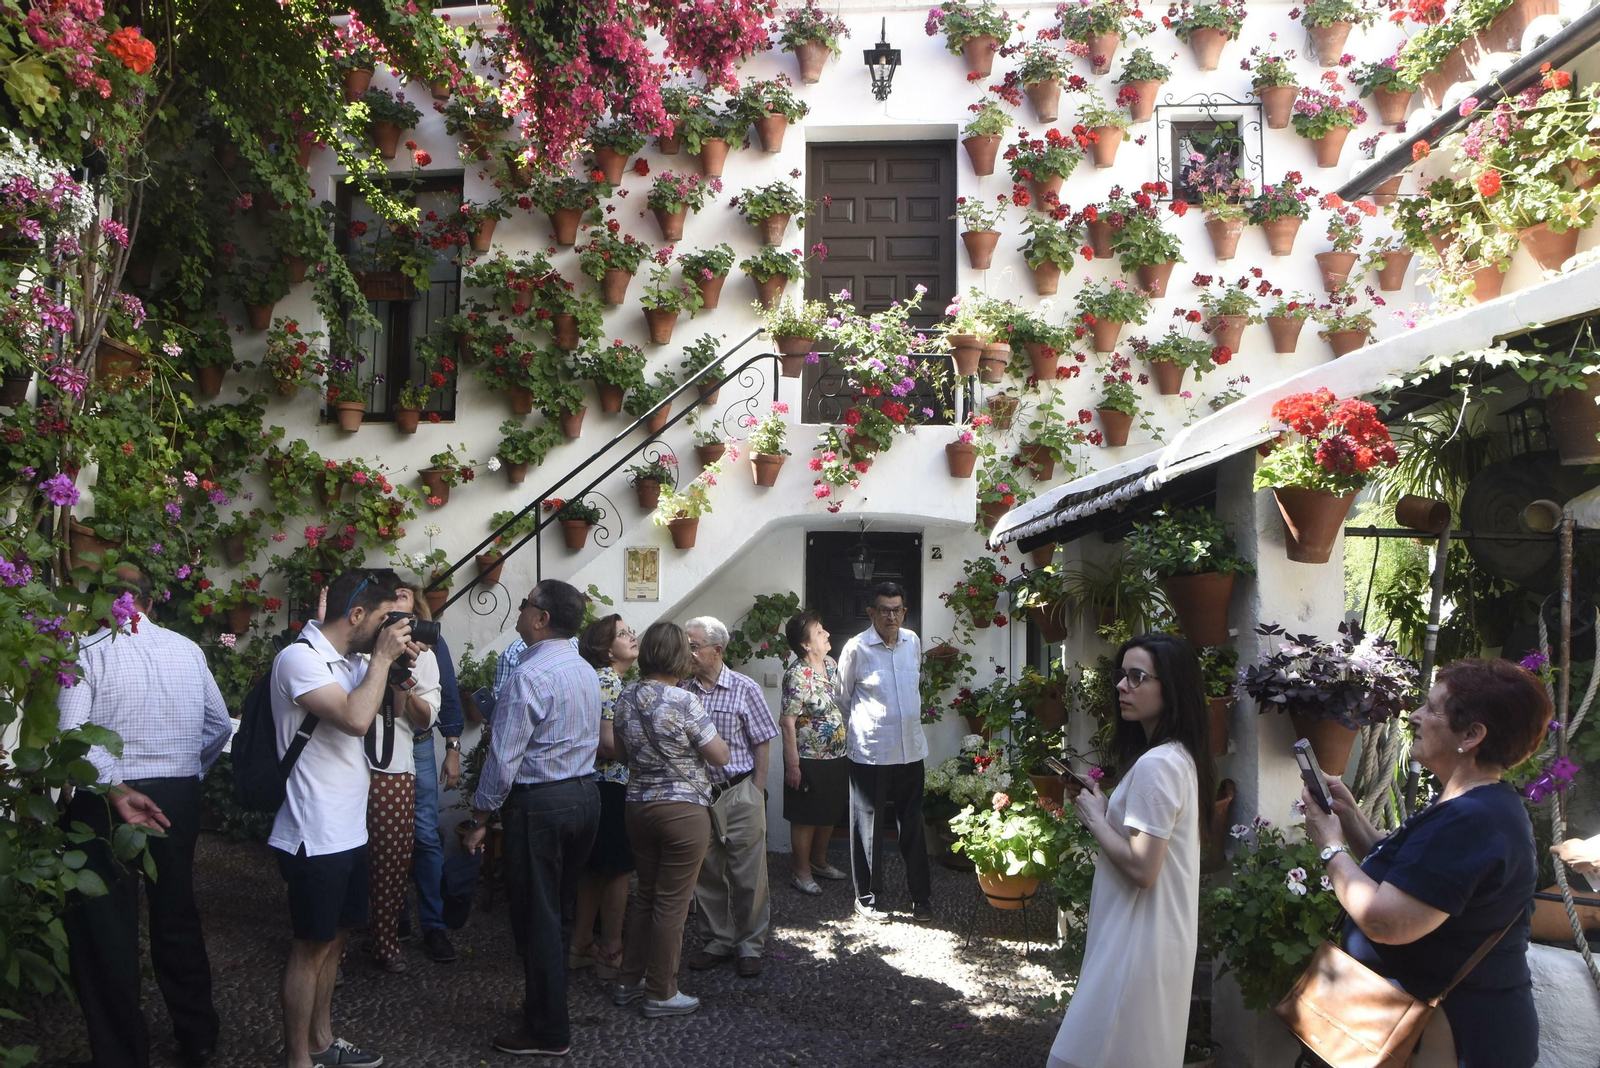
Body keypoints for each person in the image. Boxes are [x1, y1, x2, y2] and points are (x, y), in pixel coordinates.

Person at [1302, 658, 1549, 1068]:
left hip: (1453, 1037)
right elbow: (1415, 877)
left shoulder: (1472, 819)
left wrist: (1329, 847)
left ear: (1471, 735)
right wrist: (1350, 817)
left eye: (1432, 709)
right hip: (1427, 1025)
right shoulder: (1474, 805)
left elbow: (1386, 920)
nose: (1415, 716)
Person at [56, 567, 231, 1068]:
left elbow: (71, 736)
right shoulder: (187, 650)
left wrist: (115, 785)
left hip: (106, 798)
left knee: (106, 925)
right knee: (176, 912)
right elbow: (219, 724)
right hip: (176, 796)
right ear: (151, 604)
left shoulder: (87, 653)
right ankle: (197, 1034)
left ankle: (120, 1052)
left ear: (99, 603)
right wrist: (185, 770)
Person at [270, 568, 414, 1068]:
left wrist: (394, 669)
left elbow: (385, 709)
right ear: (356, 615)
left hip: (350, 828)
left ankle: (322, 1041)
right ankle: (297, 1059)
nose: (384, 629)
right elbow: (355, 720)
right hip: (313, 831)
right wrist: (380, 658)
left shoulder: (351, 661)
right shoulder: (299, 660)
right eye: (380, 619)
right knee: (310, 948)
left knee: (335, 943)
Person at [1050, 633, 1214, 1068]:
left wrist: (1095, 819)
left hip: (1136, 947)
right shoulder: (1175, 757)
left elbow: (1144, 868)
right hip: (1148, 943)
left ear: (1171, 688)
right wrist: (1106, 809)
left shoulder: (1159, 765)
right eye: (1122, 676)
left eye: (1137, 677)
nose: (1122, 686)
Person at [461, 580, 601, 1058]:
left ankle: (547, 1031)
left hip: (541, 803)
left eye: (525, 604)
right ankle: (546, 1008)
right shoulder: (584, 669)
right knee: (558, 913)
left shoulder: (529, 675)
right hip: (584, 797)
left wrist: (480, 814)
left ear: (541, 619)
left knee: (537, 918)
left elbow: (503, 758)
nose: (519, 610)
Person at [611, 621, 730, 1017]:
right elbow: (720, 756)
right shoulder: (685, 701)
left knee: (646, 896)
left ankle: (629, 981)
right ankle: (662, 991)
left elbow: (623, 755)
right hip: (682, 812)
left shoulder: (626, 697)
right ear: (680, 655)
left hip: (638, 807)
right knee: (672, 905)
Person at [681, 615, 780, 977]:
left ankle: (750, 945)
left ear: (717, 650)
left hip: (740, 792)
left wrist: (756, 789)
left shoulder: (745, 688)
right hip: (699, 797)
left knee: (749, 875)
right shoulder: (682, 689)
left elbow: (762, 742)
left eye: (694, 646)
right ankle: (717, 941)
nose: (688, 653)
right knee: (706, 872)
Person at [837, 582, 932, 923]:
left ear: (904, 612)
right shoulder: (856, 648)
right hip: (871, 752)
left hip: (911, 750)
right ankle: (867, 897)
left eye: (897, 610)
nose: (891, 616)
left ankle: (920, 898)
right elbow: (843, 698)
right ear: (871, 613)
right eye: (884, 610)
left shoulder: (913, 642)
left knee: (913, 826)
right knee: (868, 827)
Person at [363, 585, 441, 973]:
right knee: (349, 860)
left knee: (393, 861)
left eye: (403, 599)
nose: (395, 607)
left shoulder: (423, 655)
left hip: (393, 765)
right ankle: (335, 947)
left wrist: (403, 681)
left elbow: (427, 718)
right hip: (350, 764)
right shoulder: (357, 649)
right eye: (387, 602)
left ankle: (386, 941)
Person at [571, 613, 640, 977]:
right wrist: (646, 750)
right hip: (610, 784)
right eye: (623, 634)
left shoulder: (603, 679)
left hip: (596, 784)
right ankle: (611, 951)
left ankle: (581, 945)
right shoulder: (609, 683)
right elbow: (608, 744)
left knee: (596, 870)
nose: (632, 636)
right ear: (605, 649)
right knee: (617, 871)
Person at [406, 586, 464, 965]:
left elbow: (451, 695)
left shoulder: (429, 643)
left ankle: (432, 924)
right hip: (375, 747)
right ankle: (387, 919)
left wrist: (453, 749)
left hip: (420, 743)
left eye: (408, 608)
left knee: (425, 835)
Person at [779, 611, 850, 895]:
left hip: (837, 754)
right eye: (820, 632)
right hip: (809, 757)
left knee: (829, 812)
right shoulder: (796, 675)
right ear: (806, 644)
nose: (827, 635)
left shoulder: (831, 665)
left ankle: (819, 862)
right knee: (806, 816)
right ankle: (801, 871)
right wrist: (792, 765)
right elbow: (787, 722)